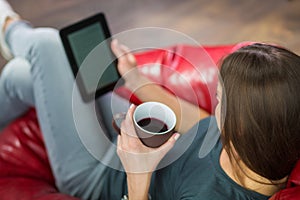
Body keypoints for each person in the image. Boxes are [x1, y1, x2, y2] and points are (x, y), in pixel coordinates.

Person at [0, 1, 299, 199]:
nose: (214, 103)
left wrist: (136, 171)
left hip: (101, 175)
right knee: (21, 75)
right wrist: (134, 78)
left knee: (46, 45)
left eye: (219, 100)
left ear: (241, 126)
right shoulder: (261, 143)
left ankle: (10, 27)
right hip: (135, 139)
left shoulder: (209, 195)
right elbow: (197, 120)